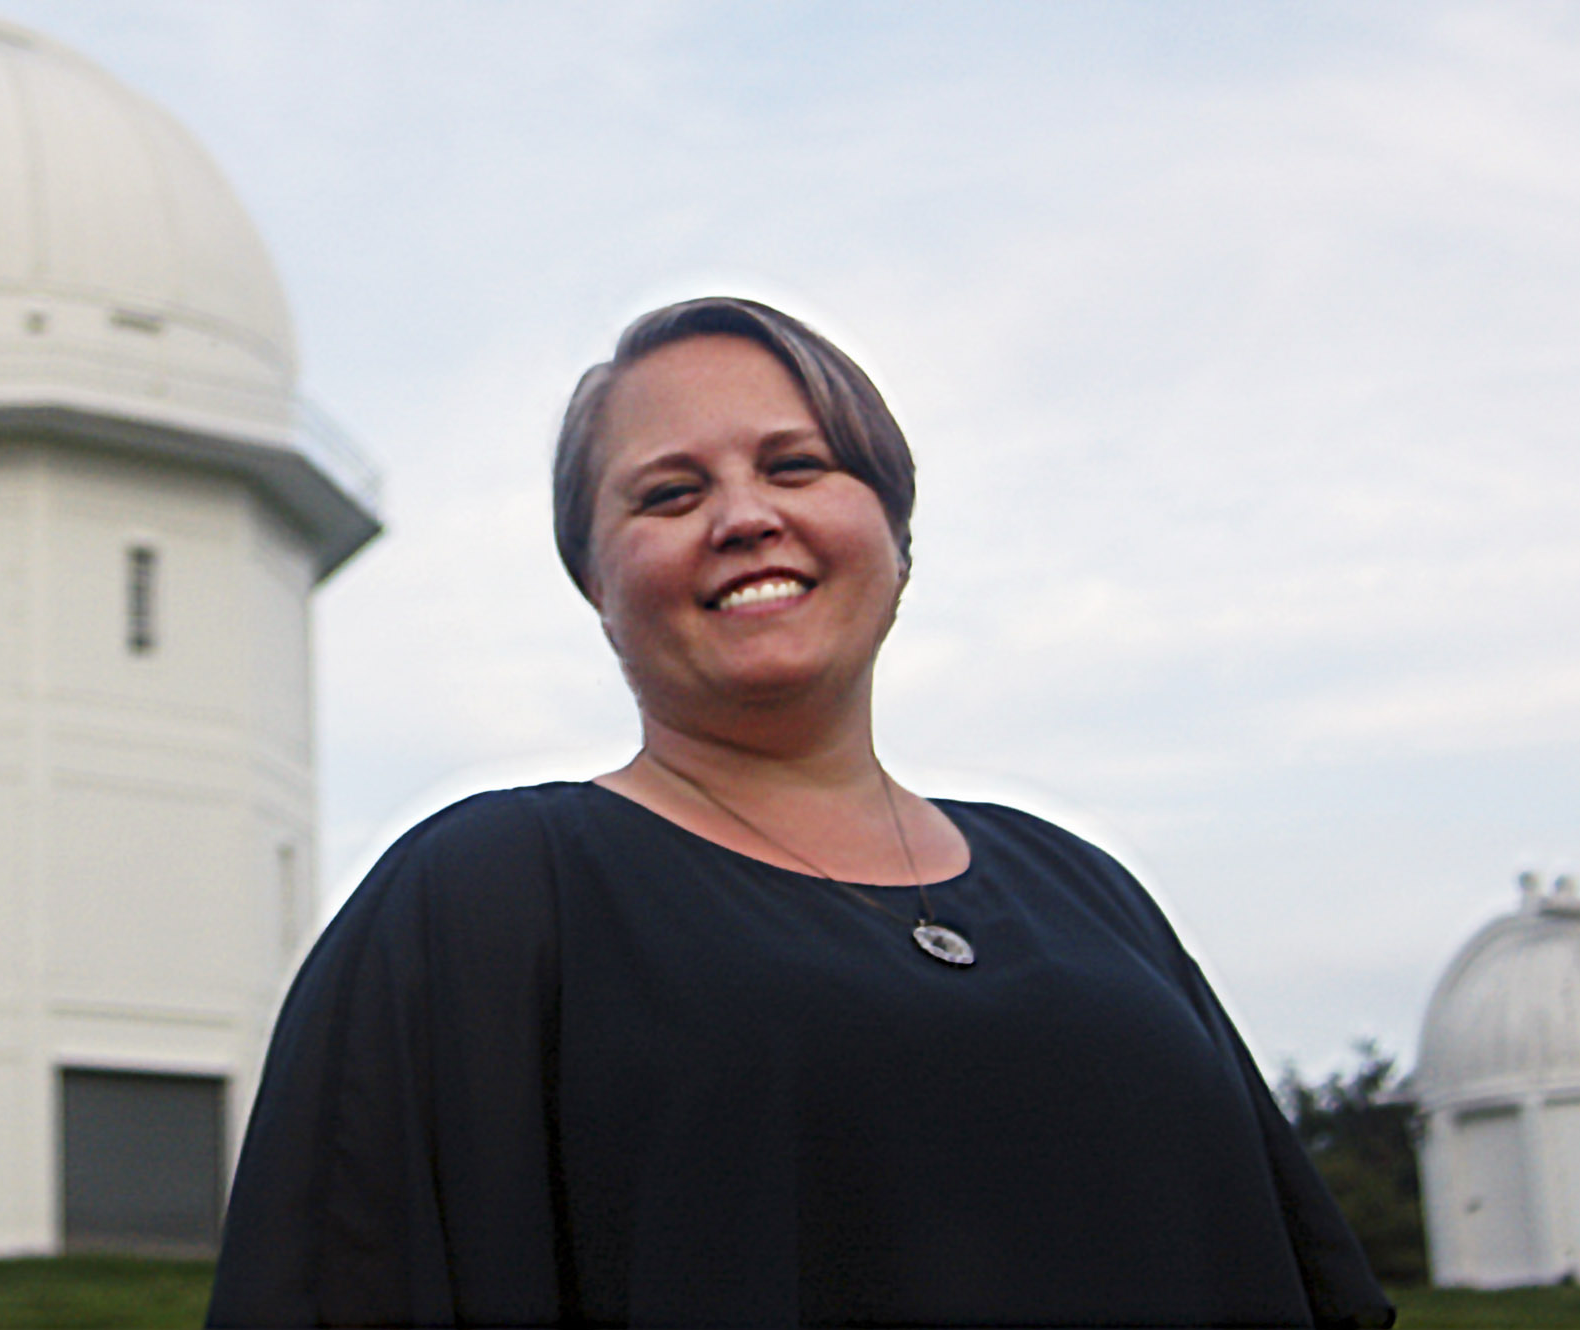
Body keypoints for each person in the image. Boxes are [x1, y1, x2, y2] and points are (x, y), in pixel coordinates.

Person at [206, 297, 1395, 1329]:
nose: (741, 516)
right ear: (596, 582)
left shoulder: (1085, 886)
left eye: (796, 467)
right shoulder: (483, 891)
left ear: (891, 530)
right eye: (670, 493)